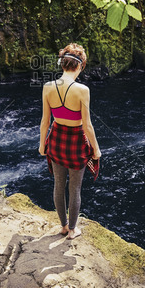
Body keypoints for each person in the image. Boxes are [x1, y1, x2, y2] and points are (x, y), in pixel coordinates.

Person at [38, 43, 101, 240]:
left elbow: (45, 121)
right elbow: (87, 126)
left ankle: (63, 226)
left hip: (56, 140)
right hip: (76, 142)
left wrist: (42, 145)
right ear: (80, 65)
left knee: (58, 185)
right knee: (75, 188)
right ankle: (73, 230)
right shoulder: (82, 90)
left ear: (62, 63)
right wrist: (97, 150)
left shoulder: (48, 87)